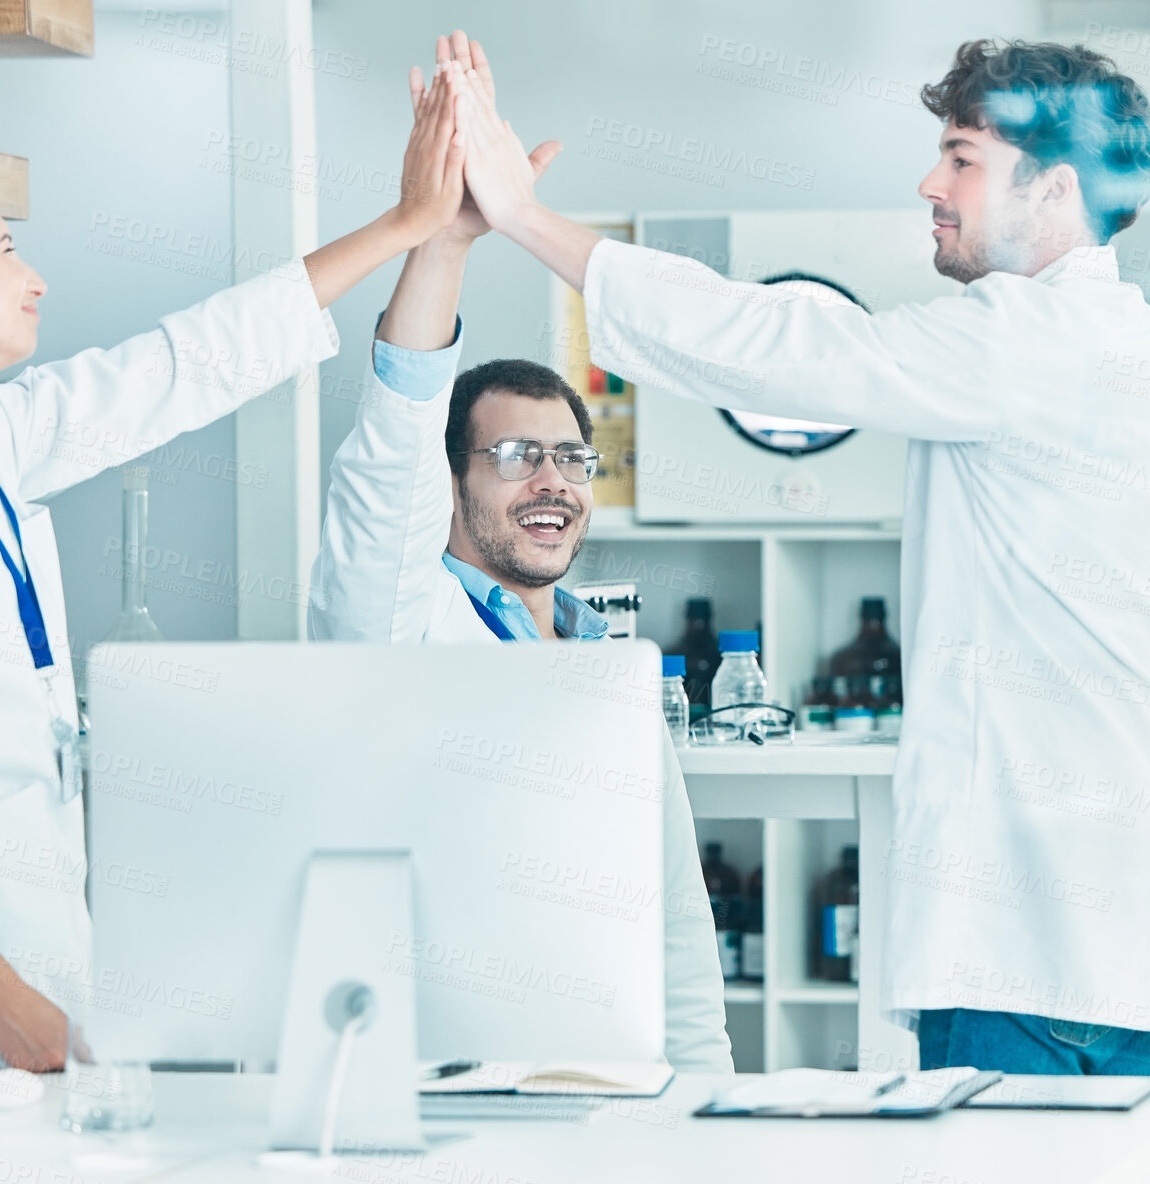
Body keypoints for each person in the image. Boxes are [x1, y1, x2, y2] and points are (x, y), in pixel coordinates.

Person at [453, 36, 1150, 1076]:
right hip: (1130, 938)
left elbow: (785, 344)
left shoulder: (1021, 336)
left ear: (1054, 187)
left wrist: (521, 216)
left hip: (1021, 941)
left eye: (963, 157)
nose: (932, 182)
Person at [0, 65, 472, 1071]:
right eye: (6, 252)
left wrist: (405, 225)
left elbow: (182, 363)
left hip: (35, 947)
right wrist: (1, 998)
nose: (34, 277)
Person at [306, 33, 731, 1075]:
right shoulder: (397, 619)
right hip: (444, 1078)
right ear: (448, 481)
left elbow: (673, 909)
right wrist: (443, 243)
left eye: (571, 459)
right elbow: (388, 457)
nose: (553, 480)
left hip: (610, 1079)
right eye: (514, 454)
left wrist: (699, 1085)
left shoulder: (612, 662)